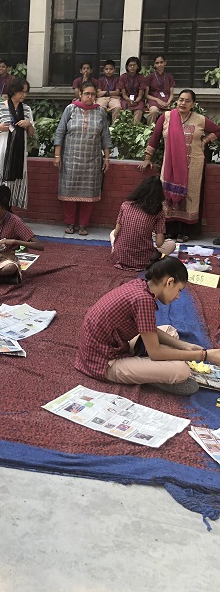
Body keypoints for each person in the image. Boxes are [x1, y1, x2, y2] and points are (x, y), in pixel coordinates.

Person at [75, 256, 220, 396]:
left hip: (111, 346)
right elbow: (155, 353)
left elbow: (148, 328)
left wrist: (185, 346)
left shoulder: (140, 285)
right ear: (169, 282)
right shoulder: (143, 300)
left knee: (170, 331)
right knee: (181, 370)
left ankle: (148, 367)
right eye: (179, 290)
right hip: (103, 362)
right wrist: (204, 355)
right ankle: (151, 374)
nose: (177, 296)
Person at [139, 89, 220, 242]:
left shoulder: (199, 119)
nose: (183, 103)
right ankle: (169, 230)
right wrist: (147, 158)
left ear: (193, 104)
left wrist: (205, 141)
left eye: (187, 101)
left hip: (193, 166)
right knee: (167, 197)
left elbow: (217, 130)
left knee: (190, 198)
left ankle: (186, 231)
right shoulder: (167, 117)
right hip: (170, 166)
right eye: (181, 99)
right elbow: (155, 137)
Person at [54, 81, 112, 236]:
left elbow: (105, 136)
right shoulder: (70, 109)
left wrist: (106, 158)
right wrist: (57, 155)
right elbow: (60, 132)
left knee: (89, 193)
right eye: (87, 93)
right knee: (69, 191)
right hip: (71, 159)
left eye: (93, 94)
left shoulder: (100, 111)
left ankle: (83, 225)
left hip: (92, 161)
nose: (90, 97)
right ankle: (70, 223)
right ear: (80, 94)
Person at [0, 77, 34, 209]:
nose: (24, 95)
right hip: (2, 150)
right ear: (13, 91)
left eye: (26, 92)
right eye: (21, 92)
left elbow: (31, 133)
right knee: (1, 178)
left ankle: (10, 209)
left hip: (19, 152)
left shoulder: (27, 109)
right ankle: (0, 208)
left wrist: (28, 124)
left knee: (17, 180)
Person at [111, 177, 176, 271]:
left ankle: (117, 251)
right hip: (144, 261)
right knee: (171, 244)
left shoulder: (125, 205)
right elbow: (159, 243)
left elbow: (116, 233)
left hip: (119, 258)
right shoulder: (158, 211)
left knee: (112, 233)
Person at [144, 54, 175, 125]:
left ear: (165, 63)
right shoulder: (150, 77)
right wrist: (157, 100)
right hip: (153, 101)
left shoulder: (169, 77)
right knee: (154, 111)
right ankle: (150, 128)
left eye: (161, 62)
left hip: (166, 101)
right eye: (157, 63)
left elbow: (171, 94)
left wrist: (168, 102)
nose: (159, 65)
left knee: (173, 113)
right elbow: (146, 95)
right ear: (154, 64)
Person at [118, 56, 145, 123]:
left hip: (137, 100)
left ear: (138, 66)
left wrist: (136, 101)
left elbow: (140, 94)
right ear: (127, 67)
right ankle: (126, 126)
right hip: (126, 99)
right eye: (130, 65)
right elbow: (123, 94)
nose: (132, 67)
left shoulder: (141, 77)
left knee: (139, 109)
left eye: (134, 65)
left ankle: (135, 127)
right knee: (125, 108)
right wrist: (130, 100)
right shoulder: (123, 77)